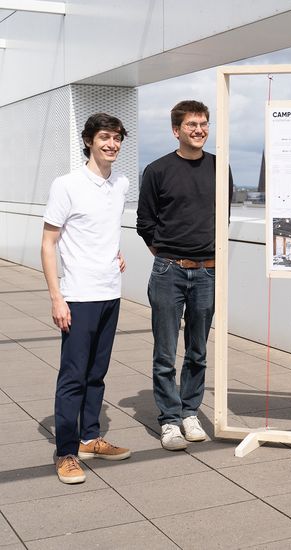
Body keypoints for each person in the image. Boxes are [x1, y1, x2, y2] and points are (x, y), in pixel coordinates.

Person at [136, 100, 233, 451]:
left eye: (204, 124)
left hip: (208, 271)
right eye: (192, 124)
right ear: (176, 130)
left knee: (198, 351)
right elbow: (145, 223)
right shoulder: (157, 170)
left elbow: (223, 218)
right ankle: (169, 420)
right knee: (165, 352)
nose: (199, 130)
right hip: (169, 270)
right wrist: (168, 256)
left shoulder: (220, 167)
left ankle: (190, 412)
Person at [42, 113, 132, 483]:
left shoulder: (122, 183)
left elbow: (102, 229)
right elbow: (48, 244)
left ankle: (89, 437)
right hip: (78, 296)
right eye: (105, 137)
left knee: (97, 374)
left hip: (111, 291)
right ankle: (66, 451)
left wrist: (116, 252)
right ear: (89, 141)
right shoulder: (66, 185)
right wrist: (57, 298)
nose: (112, 144)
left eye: (117, 138)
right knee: (74, 376)